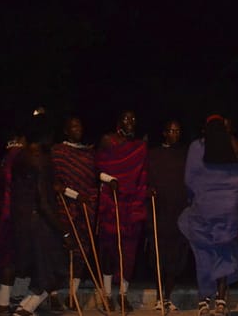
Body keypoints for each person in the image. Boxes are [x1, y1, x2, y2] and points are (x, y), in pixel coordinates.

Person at [178, 114, 238, 316]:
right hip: (227, 213)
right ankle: (220, 301)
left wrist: (195, 197)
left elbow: (189, 179)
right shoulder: (233, 148)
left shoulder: (198, 147)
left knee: (204, 255)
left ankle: (204, 301)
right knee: (224, 253)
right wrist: (234, 200)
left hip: (203, 211)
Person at [10, 114, 71, 316]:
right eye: (51, 134)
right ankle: (24, 311)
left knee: (41, 272)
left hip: (23, 220)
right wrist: (63, 232)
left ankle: (24, 309)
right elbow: (42, 201)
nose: (52, 138)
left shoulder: (22, 155)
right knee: (55, 271)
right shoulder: (40, 159)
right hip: (39, 223)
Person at [96, 110, 149, 311]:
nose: (131, 121)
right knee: (109, 251)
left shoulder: (139, 146)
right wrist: (109, 179)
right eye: (127, 118)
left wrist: (146, 189)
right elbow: (97, 168)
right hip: (111, 202)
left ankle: (123, 294)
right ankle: (107, 295)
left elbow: (143, 173)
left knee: (129, 253)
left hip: (132, 205)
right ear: (119, 121)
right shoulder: (108, 140)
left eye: (134, 118)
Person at [51, 116, 98, 311]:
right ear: (66, 130)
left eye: (80, 126)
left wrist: (87, 199)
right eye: (73, 127)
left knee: (82, 250)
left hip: (85, 208)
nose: (78, 129)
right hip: (64, 206)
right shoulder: (58, 152)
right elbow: (54, 183)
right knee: (59, 250)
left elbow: (92, 180)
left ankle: (72, 295)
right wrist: (74, 195)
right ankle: (52, 294)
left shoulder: (88, 153)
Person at [148, 119, 190, 314]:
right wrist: (149, 190)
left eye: (178, 131)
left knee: (177, 256)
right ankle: (158, 297)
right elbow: (146, 178)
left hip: (179, 212)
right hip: (160, 211)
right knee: (159, 255)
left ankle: (167, 297)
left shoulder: (184, 154)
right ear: (164, 133)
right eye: (171, 131)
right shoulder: (154, 154)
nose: (175, 134)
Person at [0, 129, 30, 315]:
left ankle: (4, 303)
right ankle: (8, 305)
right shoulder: (19, 156)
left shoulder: (6, 158)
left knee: (8, 259)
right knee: (14, 260)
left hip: (7, 214)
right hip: (17, 216)